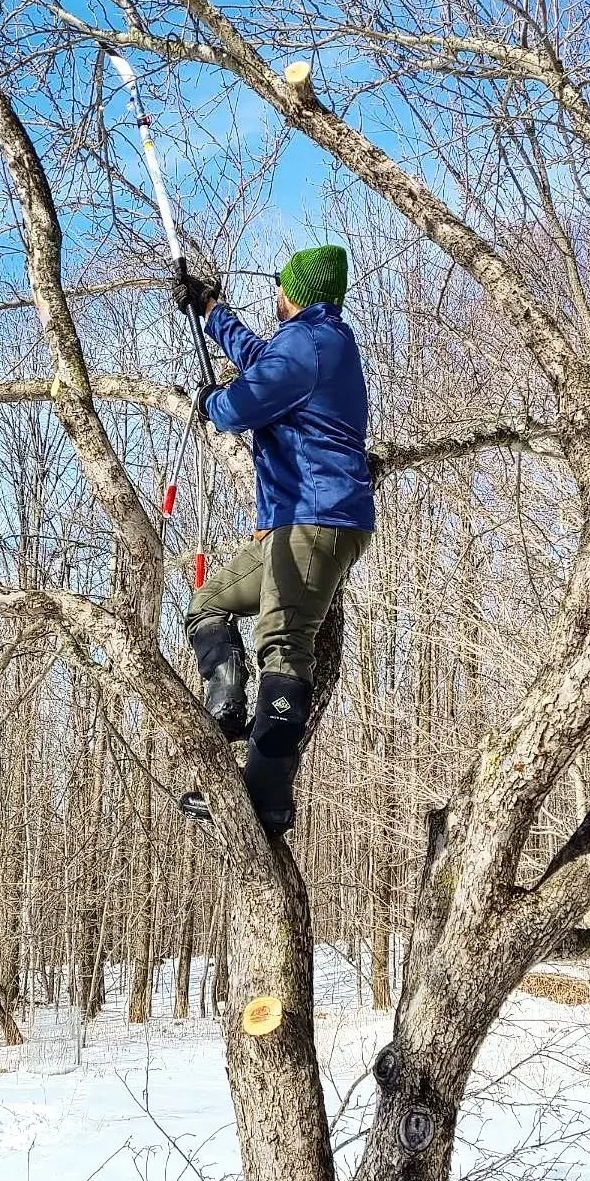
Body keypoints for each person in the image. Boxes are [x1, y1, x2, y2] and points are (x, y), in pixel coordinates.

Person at [171, 244, 374, 836]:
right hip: (299, 522)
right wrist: (213, 312)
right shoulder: (313, 343)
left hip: (315, 519)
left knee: (283, 643)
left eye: (282, 286)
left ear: (298, 292)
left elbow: (241, 405)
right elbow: (261, 360)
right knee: (209, 603)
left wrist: (211, 402)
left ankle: (265, 796)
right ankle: (227, 706)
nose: (276, 294)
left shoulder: (310, 343)